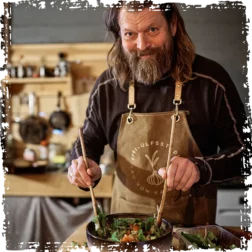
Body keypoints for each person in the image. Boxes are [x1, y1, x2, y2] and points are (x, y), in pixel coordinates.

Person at [68, 0, 252, 226]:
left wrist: (200, 168)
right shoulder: (108, 86)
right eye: (130, 34)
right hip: (126, 234)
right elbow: (88, 139)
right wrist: (82, 164)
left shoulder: (211, 82)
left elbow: (244, 153)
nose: (142, 44)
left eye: (152, 30)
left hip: (192, 233)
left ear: (173, 25)